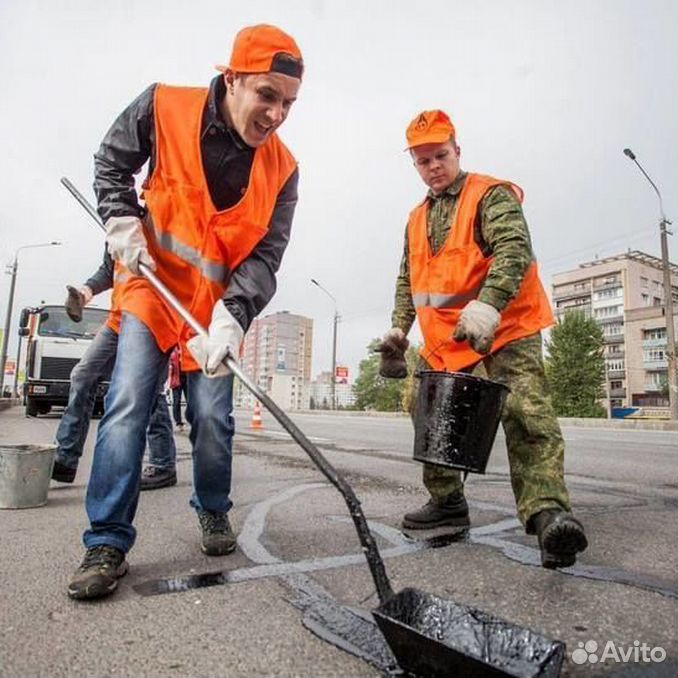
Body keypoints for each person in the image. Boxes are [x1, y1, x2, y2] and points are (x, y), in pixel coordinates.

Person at [67, 24, 303, 600]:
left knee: (211, 421)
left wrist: (234, 316)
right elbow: (110, 162)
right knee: (127, 403)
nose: (276, 114)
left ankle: (214, 509)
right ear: (232, 79)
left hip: (213, 313)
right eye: (266, 95)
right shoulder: (164, 106)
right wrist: (121, 221)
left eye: (289, 103)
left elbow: (266, 256)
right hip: (152, 290)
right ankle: (106, 542)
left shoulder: (284, 171)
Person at [381, 110, 588, 569]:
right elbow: (407, 278)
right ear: (414, 163)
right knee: (428, 409)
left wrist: (490, 304)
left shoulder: (489, 195)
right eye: (423, 160)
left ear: (457, 151)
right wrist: (399, 330)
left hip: (505, 327)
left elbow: (514, 249)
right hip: (446, 337)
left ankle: (548, 516)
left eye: (441, 155)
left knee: (525, 412)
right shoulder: (416, 218)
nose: (433, 165)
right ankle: (448, 502)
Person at [53, 249, 177, 491]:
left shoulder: (157, 219)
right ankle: (65, 459)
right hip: (118, 318)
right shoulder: (117, 225)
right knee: (82, 375)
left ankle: (163, 465)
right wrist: (85, 291)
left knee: (148, 390)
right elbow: (109, 271)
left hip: (153, 318)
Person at [167, 345, 188, 430]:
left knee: (190, 401)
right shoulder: (173, 350)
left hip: (186, 378)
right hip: (176, 379)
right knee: (177, 401)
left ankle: (191, 419)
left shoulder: (185, 347)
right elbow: (169, 364)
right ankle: (178, 422)